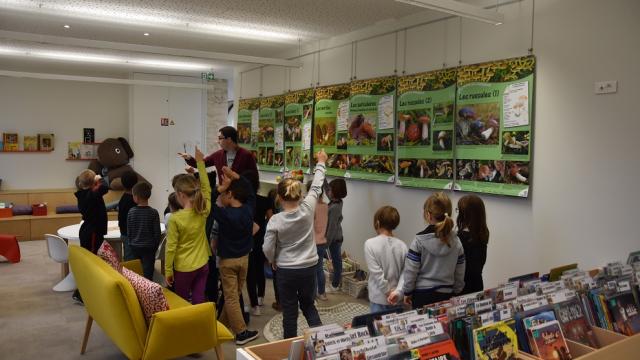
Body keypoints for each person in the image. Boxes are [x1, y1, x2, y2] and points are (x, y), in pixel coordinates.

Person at [263, 150, 328, 339]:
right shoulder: (307, 208)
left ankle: (289, 348)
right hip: (309, 267)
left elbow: (267, 247)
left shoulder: (275, 220)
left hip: (286, 270)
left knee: (290, 312)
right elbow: (316, 185)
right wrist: (321, 162)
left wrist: (272, 259)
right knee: (309, 305)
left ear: (279, 198)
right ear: (300, 196)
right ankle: (322, 345)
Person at [389, 192, 465, 309]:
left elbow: (411, 271)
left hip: (422, 296)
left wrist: (407, 292)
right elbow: (460, 270)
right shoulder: (456, 241)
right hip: (446, 295)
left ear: (428, 215)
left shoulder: (419, 240)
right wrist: (456, 291)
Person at [211, 166, 259, 345]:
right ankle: (220, 325)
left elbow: (207, 202)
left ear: (230, 195)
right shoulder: (249, 209)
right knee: (234, 294)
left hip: (228, 262)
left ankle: (240, 333)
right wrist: (237, 176)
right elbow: (251, 192)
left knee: (231, 296)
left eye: (225, 194)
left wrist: (219, 189)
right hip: (244, 259)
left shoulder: (224, 214)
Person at [165, 146, 211, 305]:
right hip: (203, 263)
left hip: (184, 268)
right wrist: (200, 163)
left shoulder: (174, 219)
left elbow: (171, 247)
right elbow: (207, 189)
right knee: (199, 299)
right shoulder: (203, 210)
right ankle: (198, 325)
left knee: (181, 302)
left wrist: (168, 271)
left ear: (181, 195)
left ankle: (185, 328)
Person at [73, 169, 109, 303]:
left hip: (89, 230)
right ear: (92, 182)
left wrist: (95, 181)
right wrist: (99, 178)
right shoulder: (92, 194)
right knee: (93, 262)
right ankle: (82, 294)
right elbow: (105, 187)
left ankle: (84, 291)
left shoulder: (84, 194)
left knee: (91, 261)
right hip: (92, 232)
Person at [365, 206, 407, 312]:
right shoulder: (403, 246)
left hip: (378, 299)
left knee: (377, 327)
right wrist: (397, 292)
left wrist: (388, 292)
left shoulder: (370, 244)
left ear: (377, 223)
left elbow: (377, 274)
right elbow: (405, 273)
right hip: (397, 299)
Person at [179, 126, 257, 183]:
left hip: (241, 197)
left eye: (220, 138)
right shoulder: (218, 155)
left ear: (229, 139)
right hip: (223, 194)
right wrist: (189, 157)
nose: (217, 141)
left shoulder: (246, 155)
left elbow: (253, 178)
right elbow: (201, 164)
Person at [245, 170, 274, 315]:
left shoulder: (242, 202)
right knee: (260, 269)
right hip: (262, 237)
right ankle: (261, 296)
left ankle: (254, 305)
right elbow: (271, 219)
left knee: (250, 272)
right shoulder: (265, 201)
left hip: (247, 239)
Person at [127, 182, 162, 281]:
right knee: (148, 271)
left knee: (136, 271)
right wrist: (155, 246)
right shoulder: (153, 212)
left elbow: (129, 231)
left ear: (136, 197)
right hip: (149, 248)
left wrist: (130, 243)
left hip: (135, 247)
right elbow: (157, 233)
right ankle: (148, 290)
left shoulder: (131, 212)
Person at [456, 194, 489, 294]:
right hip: (477, 285)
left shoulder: (460, 238)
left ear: (465, 214)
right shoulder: (482, 234)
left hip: (462, 288)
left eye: (458, 210)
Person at [306, 180, 329, 301]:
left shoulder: (311, 207)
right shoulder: (326, 206)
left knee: (312, 270)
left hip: (313, 243)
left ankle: (313, 294)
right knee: (320, 268)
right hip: (323, 242)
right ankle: (322, 293)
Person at [326, 178, 347, 291]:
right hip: (333, 237)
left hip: (335, 238)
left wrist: (326, 243)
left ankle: (335, 284)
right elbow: (326, 190)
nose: (328, 192)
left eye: (330, 189)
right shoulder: (336, 201)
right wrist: (321, 176)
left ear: (335, 192)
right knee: (336, 260)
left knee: (336, 261)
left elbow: (332, 228)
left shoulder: (335, 207)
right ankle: (336, 282)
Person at [118, 171, 138, 261]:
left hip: (125, 233)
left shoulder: (123, 198)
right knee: (130, 258)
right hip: (130, 234)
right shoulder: (133, 200)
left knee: (129, 256)